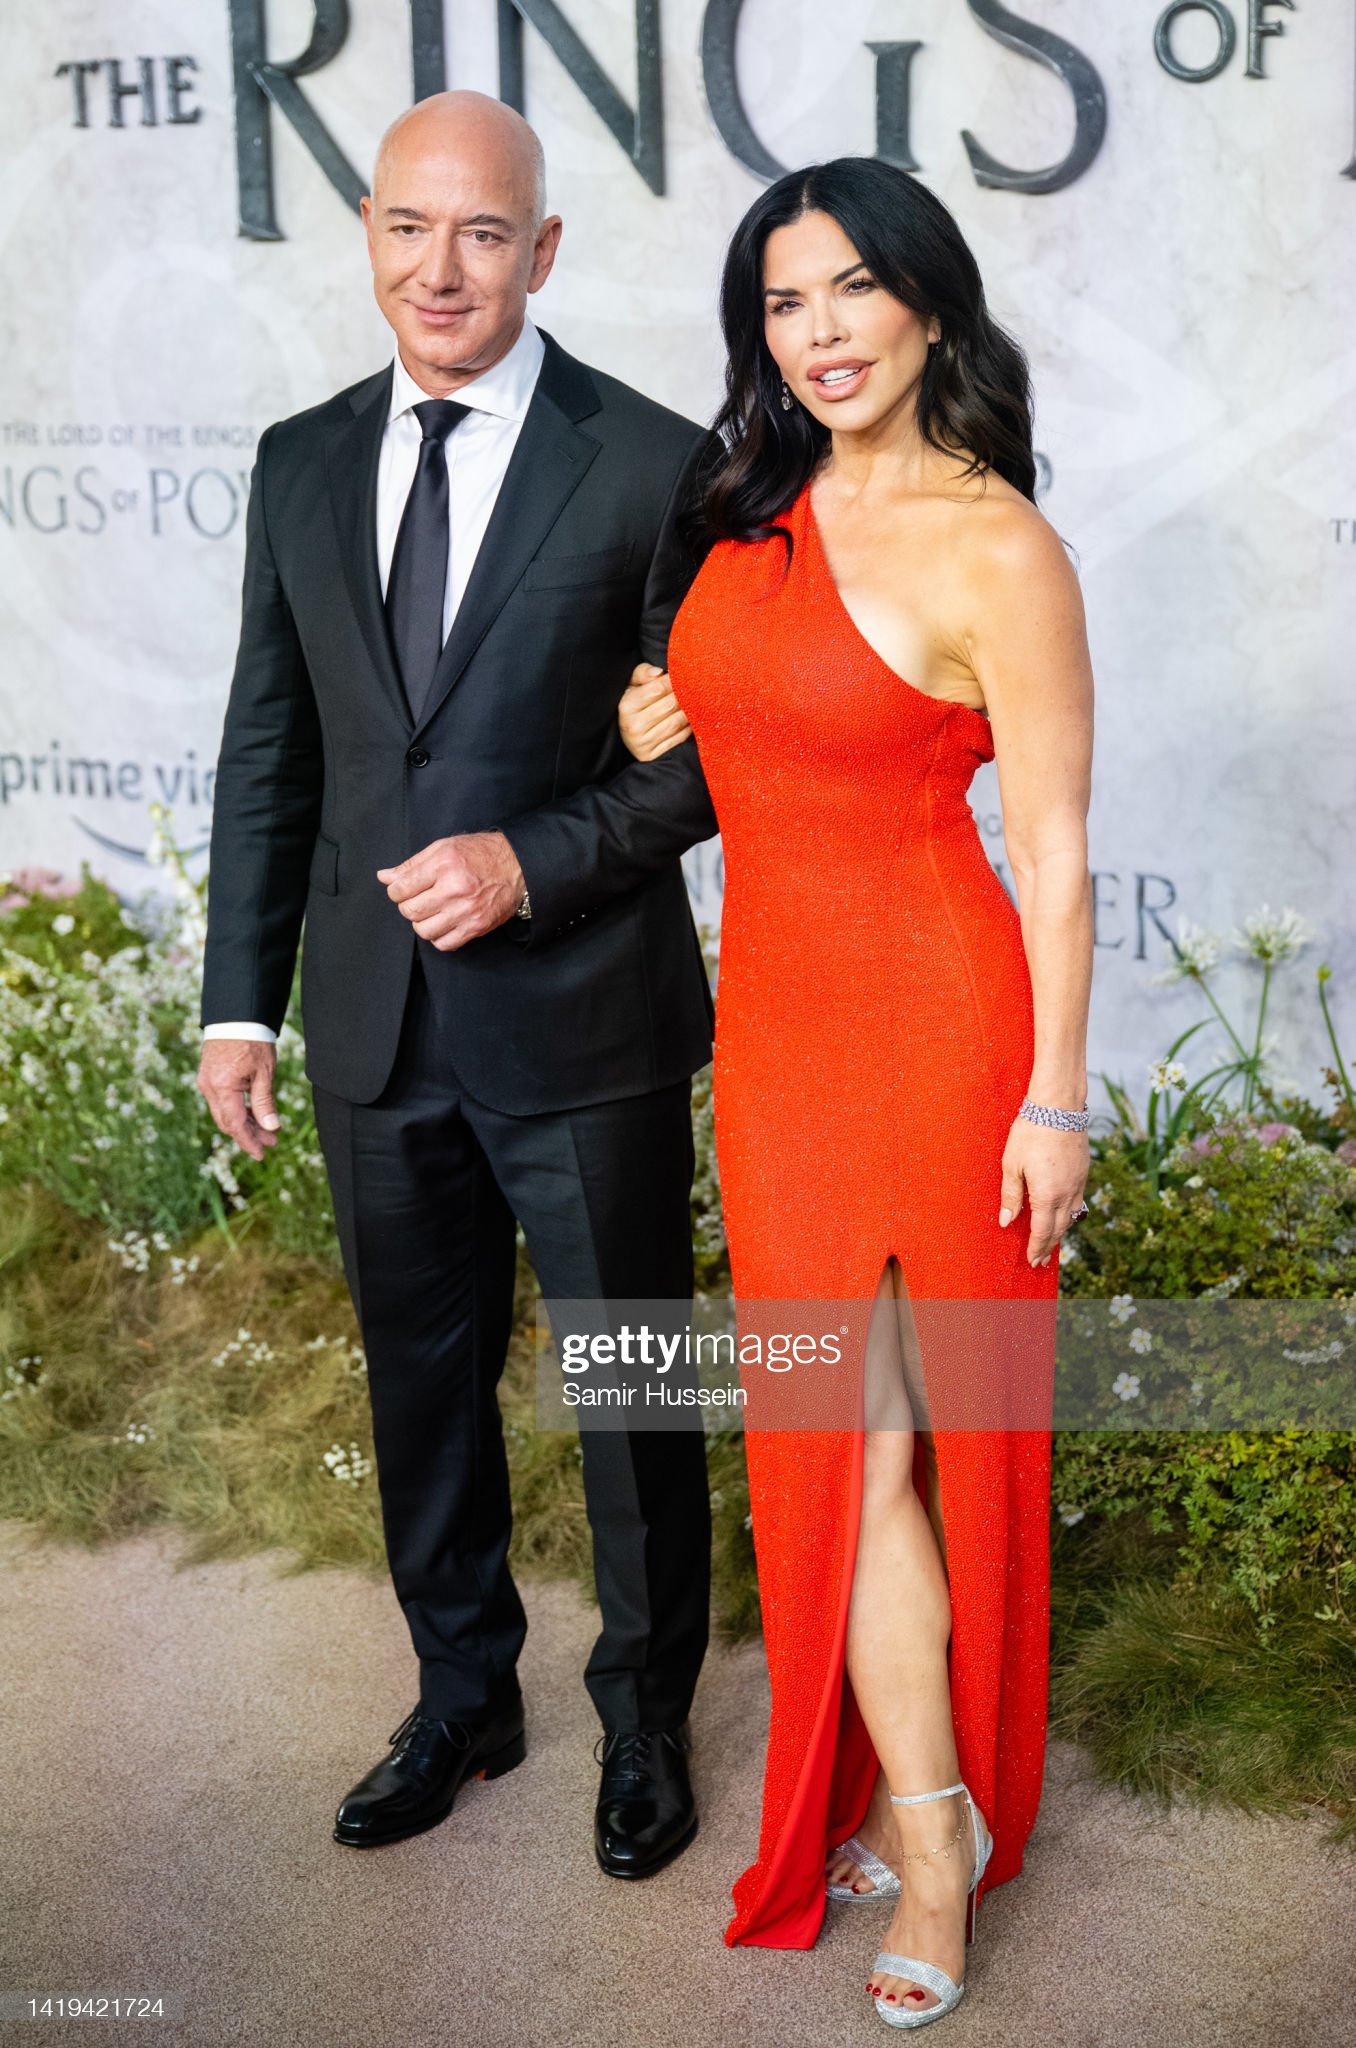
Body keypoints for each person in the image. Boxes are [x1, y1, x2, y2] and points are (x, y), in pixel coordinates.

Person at [197, 91, 721, 1880]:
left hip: (583, 1018)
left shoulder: (653, 463)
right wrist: (240, 1005)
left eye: (484, 233)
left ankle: (645, 1718)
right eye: (409, 228)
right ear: (367, 234)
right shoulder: (299, 461)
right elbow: (271, 752)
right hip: (372, 1025)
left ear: (542, 249)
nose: (443, 269)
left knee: (629, 1386)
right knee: (417, 1386)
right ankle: (461, 1696)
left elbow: (703, 766)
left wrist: (526, 861)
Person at [618, 157, 1094, 2027]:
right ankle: (928, 1802)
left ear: (929, 301)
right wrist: (664, 708)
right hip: (782, 1047)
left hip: (942, 1033)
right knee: (836, 1441)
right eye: (782, 303)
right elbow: (751, 722)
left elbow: (1053, 854)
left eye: (851, 290)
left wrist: (1056, 1100)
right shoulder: (753, 501)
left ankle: (935, 1838)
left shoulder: (1002, 549)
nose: (819, 334)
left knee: (896, 1437)